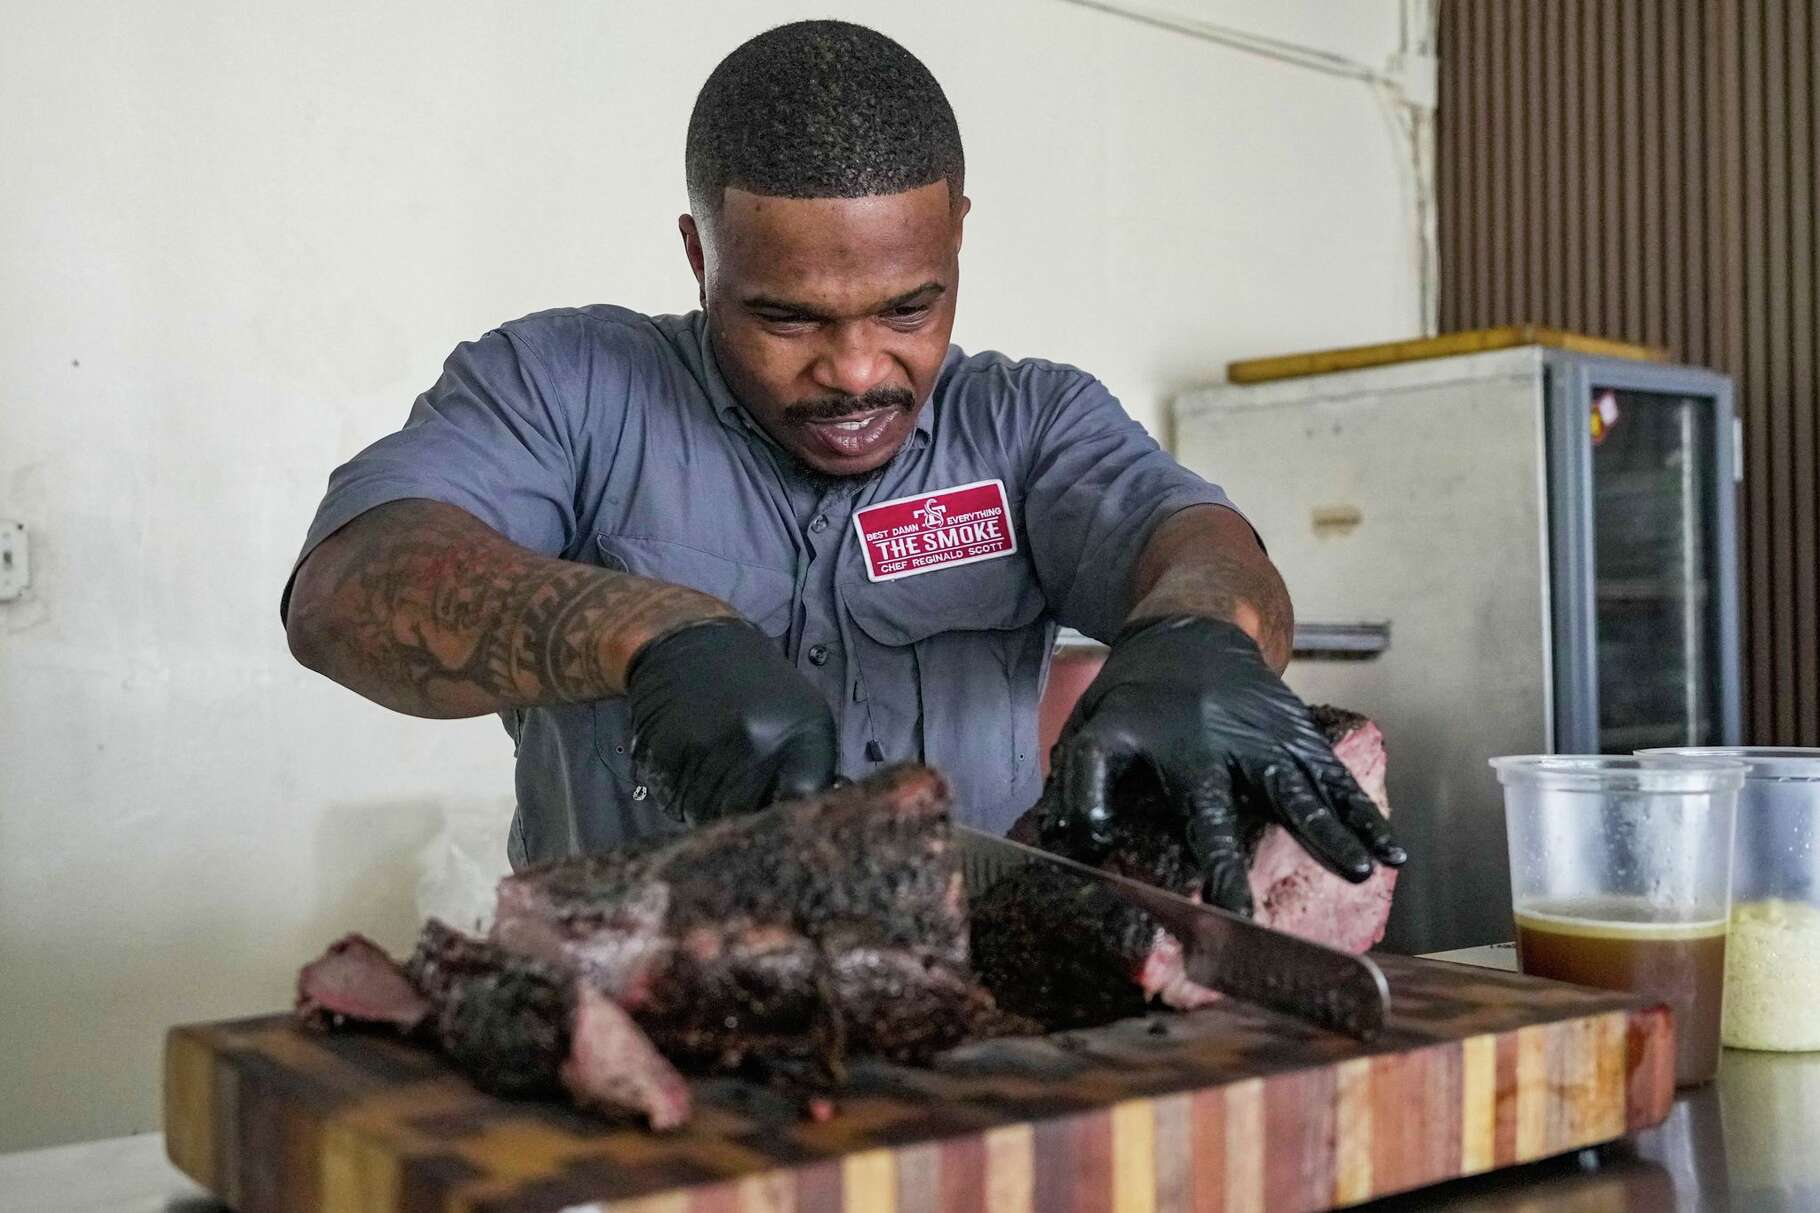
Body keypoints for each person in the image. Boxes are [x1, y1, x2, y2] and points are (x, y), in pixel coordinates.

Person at [282, 19, 1404, 914]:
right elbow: (346, 591)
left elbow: (1200, 552)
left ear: (957, 233)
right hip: (629, 1049)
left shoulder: (1029, 422)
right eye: (785, 317)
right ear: (697, 254)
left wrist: (1199, 634)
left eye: (909, 306)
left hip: (963, 1050)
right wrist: (644, 635)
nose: (858, 369)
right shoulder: (564, 386)